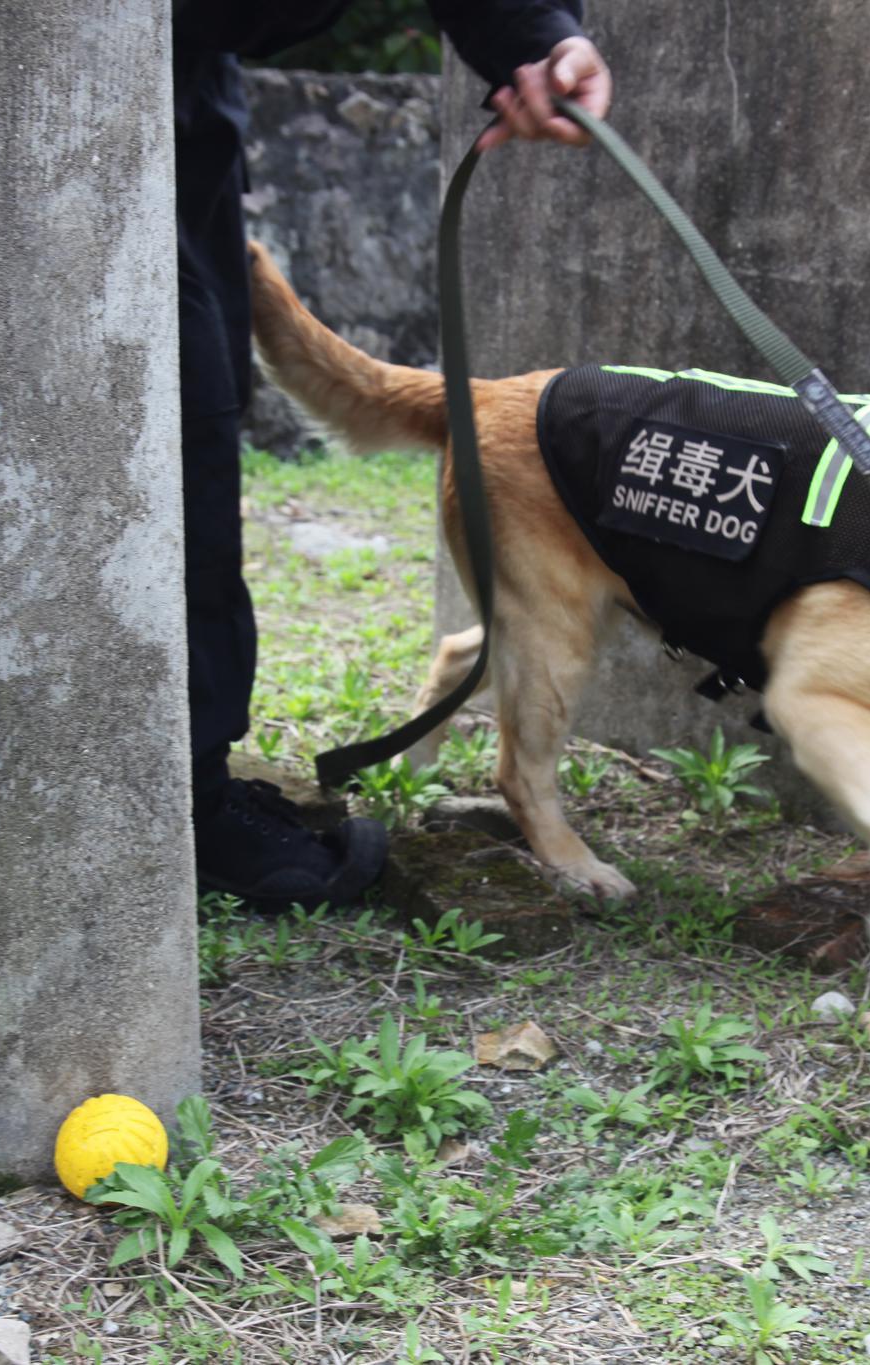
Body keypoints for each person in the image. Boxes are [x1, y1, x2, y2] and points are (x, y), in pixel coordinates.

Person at [173, 2, 613, 907]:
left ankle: (195, 783)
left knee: (202, 427)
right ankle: (176, 794)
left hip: (186, 97)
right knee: (174, 433)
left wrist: (531, 39)